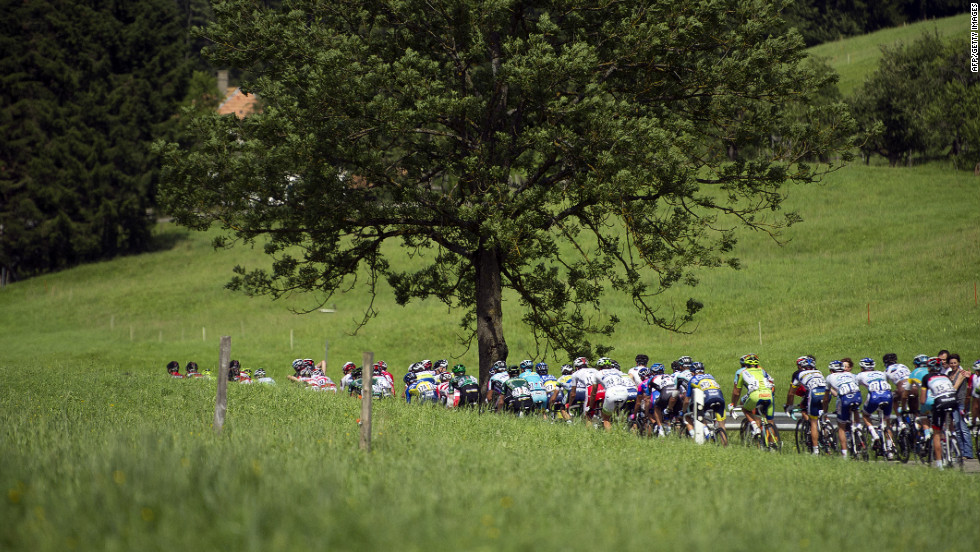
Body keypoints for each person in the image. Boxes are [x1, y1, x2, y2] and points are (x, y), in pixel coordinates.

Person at [919, 357, 959, 469]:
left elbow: (922, 400)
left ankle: (939, 464)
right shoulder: (945, 376)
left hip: (940, 402)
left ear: (929, 368)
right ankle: (953, 437)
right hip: (953, 400)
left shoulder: (926, 377)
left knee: (936, 433)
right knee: (949, 420)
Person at [784, 356, 827, 455]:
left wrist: (788, 406)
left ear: (800, 366)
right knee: (822, 414)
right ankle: (827, 431)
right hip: (825, 394)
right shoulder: (818, 372)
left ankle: (815, 451)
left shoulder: (798, 374)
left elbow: (791, 393)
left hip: (813, 394)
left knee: (813, 422)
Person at [854, 357, 894, 459]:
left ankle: (874, 434)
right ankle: (890, 450)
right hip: (888, 395)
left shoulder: (860, 375)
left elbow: (855, 390)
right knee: (887, 421)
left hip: (874, 396)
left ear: (862, 367)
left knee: (865, 414)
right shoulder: (882, 373)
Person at [729, 354, 774, 440]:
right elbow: (771, 383)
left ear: (745, 365)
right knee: (770, 422)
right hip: (769, 394)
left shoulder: (742, 372)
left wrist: (733, 404)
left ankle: (755, 427)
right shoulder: (762, 370)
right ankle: (773, 443)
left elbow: (736, 392)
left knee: (745, 409)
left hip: (756, 395)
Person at [823, 360, 862, 457]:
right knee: (855, 409)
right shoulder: (851, 375)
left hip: (844, 399)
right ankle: (858, 427)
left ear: (831, 370)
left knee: (841, 427)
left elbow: (827, 397)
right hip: (858, 396)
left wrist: (824, 411)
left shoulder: (830, 377)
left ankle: (844, 454)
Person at [687, 362, 728, 445]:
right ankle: (725, 446)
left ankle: (707, 433)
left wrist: (684, 410)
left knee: (698, 415)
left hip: (707, 399)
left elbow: (687, 399)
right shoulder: (711, 376)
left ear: (692, 373)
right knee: (722, 425)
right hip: (719, 398)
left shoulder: (693, 379)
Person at [944, 353, 974, 459]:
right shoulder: (948, 375)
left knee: (963, 428)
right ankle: (961, 452)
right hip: (953, 403)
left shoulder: (961, 373)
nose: (953, 365)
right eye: (951, 363)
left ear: (958, 363)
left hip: (961, 403)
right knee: (957, 428)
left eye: (955, 363)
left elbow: (954, 388)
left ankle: (968, 452)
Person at [596, 358, 631, 430]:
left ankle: (610, 435)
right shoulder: (617, 372)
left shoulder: (598, 373)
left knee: (606, 418)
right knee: (619, 412)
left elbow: (594, 391)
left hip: (611, 393)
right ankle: (623, 428)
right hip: (624, 392)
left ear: (599, 367)